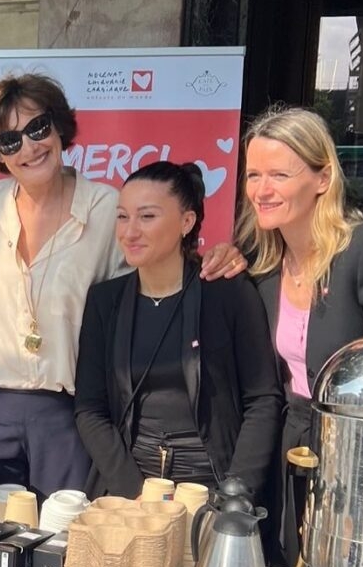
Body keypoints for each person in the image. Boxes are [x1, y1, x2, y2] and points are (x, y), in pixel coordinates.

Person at [0, 73, 245, 511]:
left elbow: (155, 279)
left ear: (58, 127)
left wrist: (217, 257)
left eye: (37, 128)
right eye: (9, 141)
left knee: (67, 554)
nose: (29, 147)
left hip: (69, 414)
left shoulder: (107, 207)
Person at [239, 105, 363, 566]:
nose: (262, 189)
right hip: (287, 448)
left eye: (279, 173)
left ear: (322, 178)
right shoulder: (259, 266)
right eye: (254, 174)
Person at [74, 162, 283, 501]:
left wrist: (236, 494)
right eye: (123, 217)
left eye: (147, 217)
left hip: (210, 485)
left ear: (186, 222)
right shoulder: (104, 300)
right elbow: (90, 410)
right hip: (131, 487)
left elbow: (262, 399)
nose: (130, 232)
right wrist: (135, 492)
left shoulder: (228, 293)